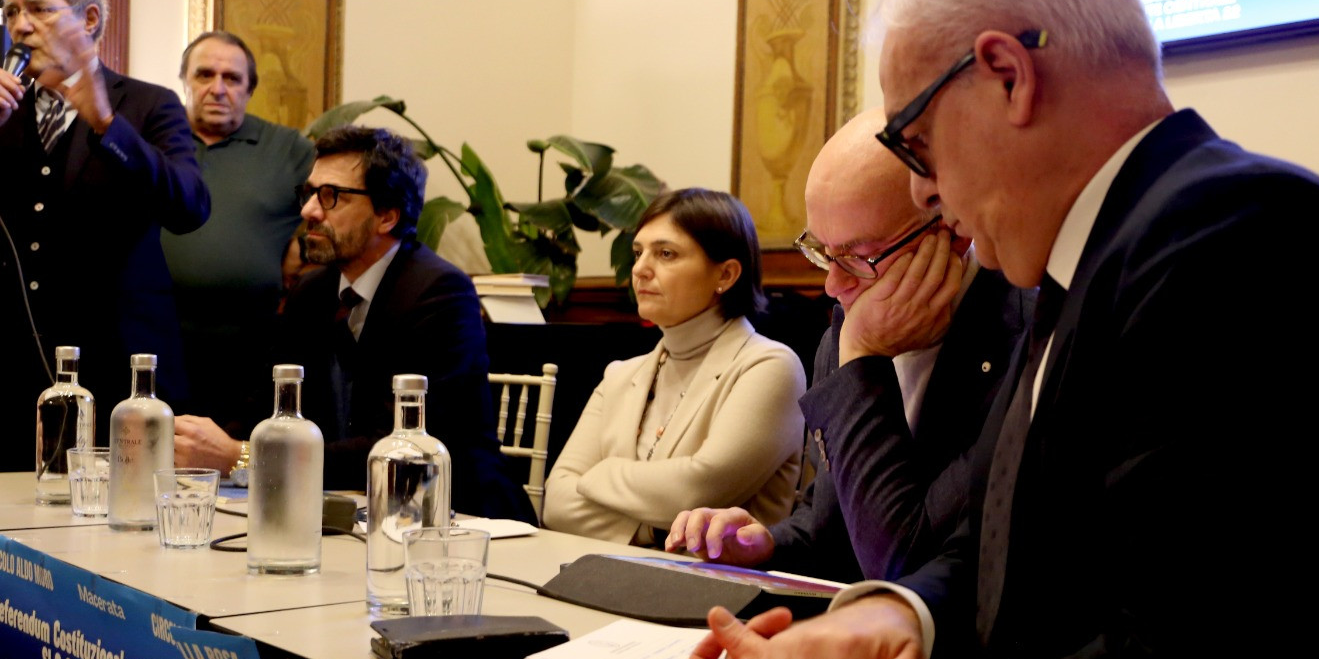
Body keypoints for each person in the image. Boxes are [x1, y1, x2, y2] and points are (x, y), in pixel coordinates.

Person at [681, 0, 1319, 659]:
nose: (924, 193)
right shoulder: (1080, 263)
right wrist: (890, 616)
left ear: (1007, 75)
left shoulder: (1235, 232)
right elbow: (998, 537)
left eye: (916, 143)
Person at [665, 110, 1028, 581]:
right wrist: (768, 544)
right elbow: (834, 529)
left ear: (953, 233)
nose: (833, 285)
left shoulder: (1024, 338)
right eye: (821, 251)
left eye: (858, 256)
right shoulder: (845, 331)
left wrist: (862, 357)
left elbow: (902, 561)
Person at [0, 0, 209, 469]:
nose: (21, 25)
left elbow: (189, 207)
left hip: (118, 378)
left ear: (89, 19)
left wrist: (108, 127)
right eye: (11, 12)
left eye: (39, 9)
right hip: (9, 388)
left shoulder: (148, 106)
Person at [173, 125, 533, 521]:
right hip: (342, 509)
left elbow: (401, 447)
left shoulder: (440, 294)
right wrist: (199, 447)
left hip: (455, 517)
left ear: (387, 216)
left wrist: (244, 457)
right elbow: (265, 405)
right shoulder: (311, 292)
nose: (309, 211)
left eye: (331, 196)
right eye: (310, 193)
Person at [542, 189, 805, 544]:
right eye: (638, 253)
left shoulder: (769, 367)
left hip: (714, 578)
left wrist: (600, 475)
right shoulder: (620, 375)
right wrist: (656, 529)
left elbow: (698, 489)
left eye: (666, 253)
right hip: (606, 570)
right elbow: (557, 502)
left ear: (726, 275)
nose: (640, 269)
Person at [161, 31, 314, 427]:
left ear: (249, 89)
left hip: (251, 354)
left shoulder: (288, 149)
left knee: (239, 457)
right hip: (158, 346)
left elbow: (335, 212)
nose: (217, 89)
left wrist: (301, 247)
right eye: (204, 75)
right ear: (184, 81)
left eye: (231, 78)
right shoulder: (156, 141)